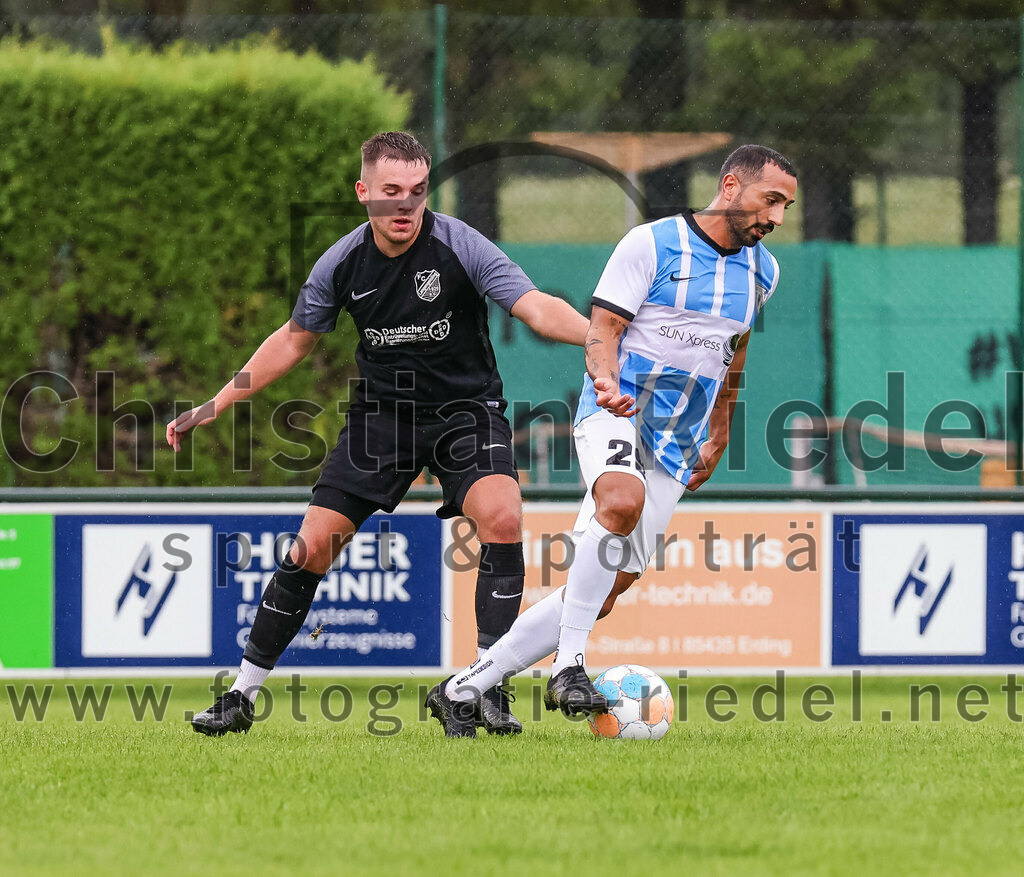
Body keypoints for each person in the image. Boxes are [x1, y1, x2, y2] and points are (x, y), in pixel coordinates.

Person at [167, 131, 589, 736]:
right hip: (382, 419)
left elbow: (533, 307)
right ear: (363, 192)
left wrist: (598, 338)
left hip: (466, 411)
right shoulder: (341, 262)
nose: (405, 207)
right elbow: (293, 339)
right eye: (391, 192)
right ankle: (240, 696)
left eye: (417, 193)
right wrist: (217, 401)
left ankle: (485, 687)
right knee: (309, 549)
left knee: (502, 516)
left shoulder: (461, 244)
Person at [427, 144, 798, 736]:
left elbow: (735, 350)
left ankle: (464, 687)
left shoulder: (764, 271)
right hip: (613, 410)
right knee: (619, 503)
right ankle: (569, 666)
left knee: (601, 591)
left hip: (678, 440)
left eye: (786, 206)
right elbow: (603, 330)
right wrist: (604, 383)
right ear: (730, 186)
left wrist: (722, 427)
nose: (776, 217)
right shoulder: (651, 244)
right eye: (770, 200)